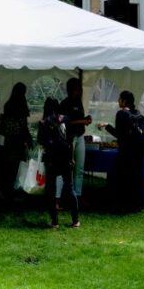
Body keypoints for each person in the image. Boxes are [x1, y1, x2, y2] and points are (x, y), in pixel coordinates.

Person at [98, 90, 144, 213]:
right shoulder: (137, 113)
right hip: (138, 152)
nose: (117, 101)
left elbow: (119, 134)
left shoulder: (121, 114)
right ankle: (136, 204)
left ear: (124, 101)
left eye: (119, 99)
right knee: (136, 178)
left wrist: (107, 126)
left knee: (124, 178)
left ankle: (123, 204)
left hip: (126, 153)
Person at [38, 98, 79, 229]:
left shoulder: (44, 122)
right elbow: (71, 140)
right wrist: (72, 158)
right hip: (66, 158)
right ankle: (75, 220)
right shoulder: (66, 119)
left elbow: (41, 142)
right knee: (70, 187)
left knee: (51, 190)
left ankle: (55, 222)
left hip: (51, 160)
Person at [0, 82, 33, 198]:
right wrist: (28, 137)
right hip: (18, 140)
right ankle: (15, 190)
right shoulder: (21, 104)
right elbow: (23, 124)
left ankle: (6, 189)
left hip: (9, 140)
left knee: (8, 165)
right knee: (18, 166)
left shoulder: (8, 104)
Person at [57, 77, 90, 206]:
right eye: (78, 89)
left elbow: (79, 118)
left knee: (80, 168)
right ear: (71, 89)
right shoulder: (65, 103)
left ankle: (77, 197)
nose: (80, 91)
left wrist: (86, 119)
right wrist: (83, 121)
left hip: (80, 136)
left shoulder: (79, 103)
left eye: (80, 89)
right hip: (68, 138)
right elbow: (65, 121)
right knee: (64, 168)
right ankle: (58, 198)